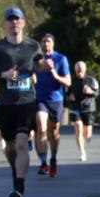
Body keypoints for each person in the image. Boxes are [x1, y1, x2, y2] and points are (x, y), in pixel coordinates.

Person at [0, 7, 51, 197]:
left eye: (17, 19)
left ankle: (19, 185)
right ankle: (15, 170)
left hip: (27, 102)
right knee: (10, 146)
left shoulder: (33, 46)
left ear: (23, 22)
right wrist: (3, 75)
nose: (14, 23)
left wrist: (46, 67)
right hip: (4, 104)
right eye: (10, 20)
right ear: (5, 24)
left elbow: (40, 66)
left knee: (21, 142)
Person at [33, 33, 71, 177]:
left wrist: (55, 74)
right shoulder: (36, 60)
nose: (45, 44)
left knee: (53, 132)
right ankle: (43, 163)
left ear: (53, 44)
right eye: (43, 42)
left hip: (56, 99)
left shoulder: (61, 59)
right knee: (41, 127)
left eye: (48, 41)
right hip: (40, 99)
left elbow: (68, 82)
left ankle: (53, 158)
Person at [67, 60, 99, 161]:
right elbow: (66, 93)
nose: (79, 72)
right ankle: (82, 152)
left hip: (88, 108)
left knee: (87, 133)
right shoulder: (70, 80)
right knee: (78, 128)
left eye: (81, 70)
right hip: (74, 108)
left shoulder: (91, 80)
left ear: (85, 70)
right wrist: (69, 96)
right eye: (77, 70)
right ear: (75, 70)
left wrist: (90, 91)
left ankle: (89, 135)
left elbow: (97, 92)